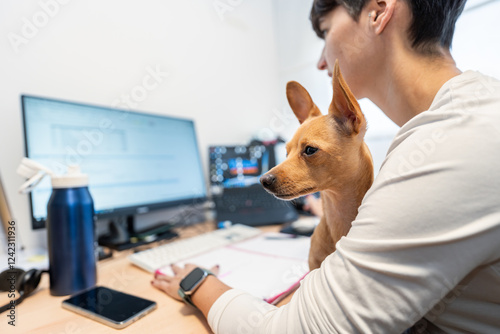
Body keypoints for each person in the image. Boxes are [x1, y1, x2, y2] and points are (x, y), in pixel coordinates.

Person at [151, 0, 500, 332]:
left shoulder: (454, 144)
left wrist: (199, 284)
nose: (321, 61)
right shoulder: (454, 124)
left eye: (325, 31)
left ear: (378, 12)